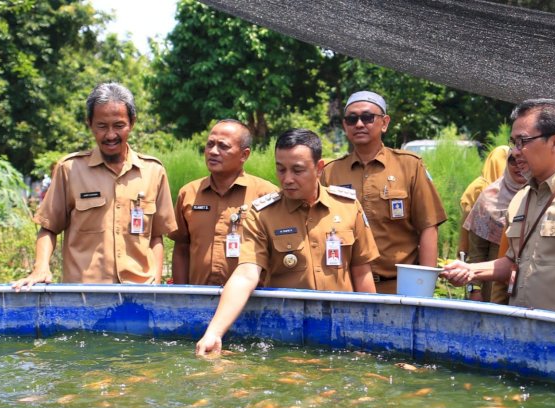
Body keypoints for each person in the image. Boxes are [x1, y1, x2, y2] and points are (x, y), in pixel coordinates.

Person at [195, 129, 379, 355]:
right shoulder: (262, 214)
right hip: (286, 338)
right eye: (281, 169)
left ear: (319, 168)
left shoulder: (348, 207)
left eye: (297, 170)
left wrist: (370, 333)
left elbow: (361, 272)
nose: (287, 179)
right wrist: (214, 332)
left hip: (342, 334)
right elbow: (246, 274)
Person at [442, 98, 555, 320]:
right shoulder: (521, 199)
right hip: (521, 337)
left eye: (523, 141)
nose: (516, 152)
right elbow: (513, 263)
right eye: (513, 143)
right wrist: (471, 271)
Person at [12, 82, 176, 288]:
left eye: (119, 125)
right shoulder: (70, 169)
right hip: (84, 294)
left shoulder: (153, 171)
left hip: (139, 295)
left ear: (132, 123)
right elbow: (48, 227)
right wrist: (41, 268)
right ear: (89, 123)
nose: (110, 135)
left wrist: (156, 283)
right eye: (101, 126)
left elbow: (156, 237)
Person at [321, 91, 447, 294]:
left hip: (399, 286)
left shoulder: (409, 166)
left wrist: (424, 290)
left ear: (385, 122)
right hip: (348, 287)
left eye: (368, 117)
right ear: (345, 126)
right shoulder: (330, 172)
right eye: (352, 119)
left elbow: (428, 226)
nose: (359, 124)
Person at [169, 120, 278, 286]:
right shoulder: (189, 193)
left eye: (223, 146)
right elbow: (182, 247)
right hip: (199, 298)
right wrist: (182, 295)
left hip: (252, 301)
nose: (213, 151)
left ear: (244, 155)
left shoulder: (266, 195)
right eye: (210, 144)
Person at [462, 153, 528, 303]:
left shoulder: (540, 198)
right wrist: (474, 289)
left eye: (523, 161)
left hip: (529, 292)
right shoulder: (489, 199)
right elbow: (477, 253)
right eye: (512, 161)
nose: (518, 166)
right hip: (492, 292)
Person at [457, 145, 509, 257]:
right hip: (477, 243)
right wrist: (463, 246)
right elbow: (467, 216)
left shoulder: (512, 187)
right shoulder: (480, 186)